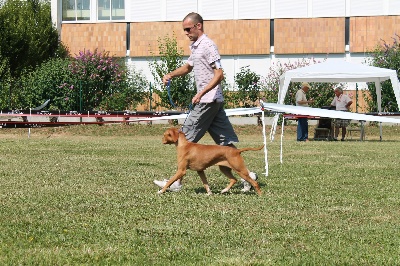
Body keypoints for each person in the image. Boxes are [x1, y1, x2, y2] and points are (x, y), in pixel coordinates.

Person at [153, 12, 257, 193]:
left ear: (198, 26)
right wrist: (171, 74)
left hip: (207, 101)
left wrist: (201, 92)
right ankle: (249, 175)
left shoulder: (208, 46)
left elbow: (219, 74)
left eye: (188, 29)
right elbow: (188, 67)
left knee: (184, 137)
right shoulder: (195, 46)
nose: (185, 33)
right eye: (184, 30)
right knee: (226, 146)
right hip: (213, 101)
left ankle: (176, 183)